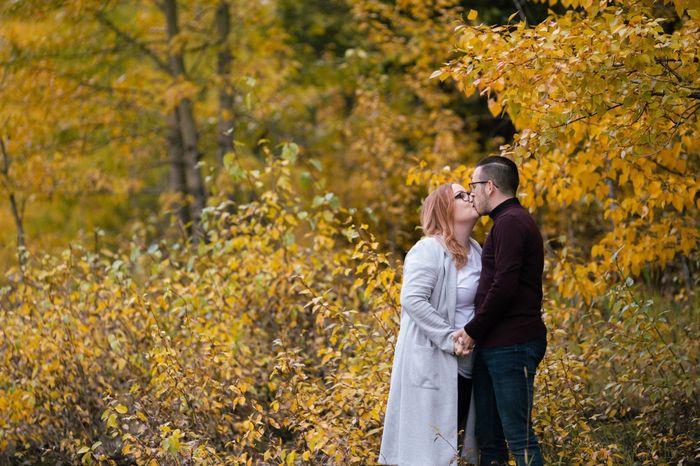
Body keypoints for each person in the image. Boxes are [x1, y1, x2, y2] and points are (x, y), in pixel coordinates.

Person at [452, 156, 547, 466]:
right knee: (489, 441)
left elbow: (503, 287)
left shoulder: (511, 223)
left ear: (489, 186)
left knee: (519, 438)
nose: (472, 193)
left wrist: (471, 330)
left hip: (513, 345)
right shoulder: (505, 224)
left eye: (473, 186)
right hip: (495, 346)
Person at [379, 183, 482, 466]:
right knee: (427, 450)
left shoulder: (477, 251)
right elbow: (412, 299)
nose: (471, 197)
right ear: (444, 209)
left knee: (457, 447)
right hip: (432, 362)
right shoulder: (428, 249)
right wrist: (450, 339)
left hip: (468, 365)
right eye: (462, 195)